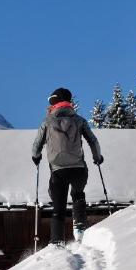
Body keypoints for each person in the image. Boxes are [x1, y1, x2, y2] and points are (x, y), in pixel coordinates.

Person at [32, 87, 103, 244]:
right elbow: (93, 140)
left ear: (53, 103)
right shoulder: (79, 120)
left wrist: (36, 157)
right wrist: (97, 157)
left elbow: (37, 145)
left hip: (58, 170)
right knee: (78, 195)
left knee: (58, 208)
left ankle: (57, 240)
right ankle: (80, 229)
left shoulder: (47, 122)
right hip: (78, 168)